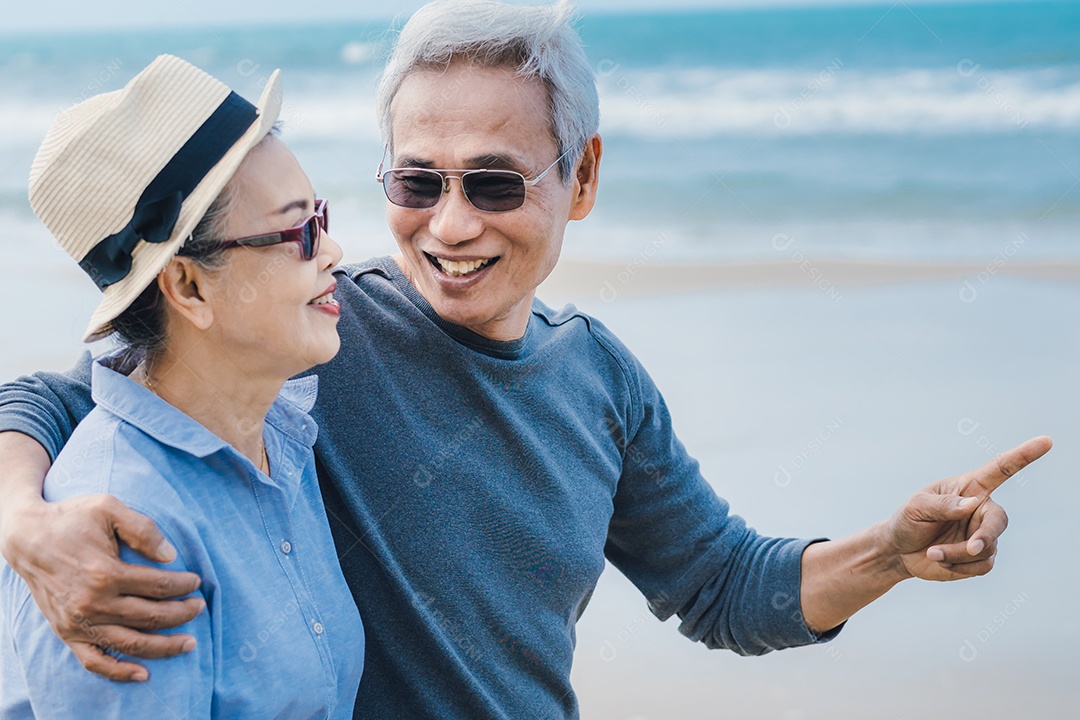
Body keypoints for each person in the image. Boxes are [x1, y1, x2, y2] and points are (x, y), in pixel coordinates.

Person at [0, 2, 1051, 719]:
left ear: (581, 177)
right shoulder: (306, 338)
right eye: (416, 182)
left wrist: (895, 553)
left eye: (495, 184)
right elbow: (85, 397)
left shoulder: (597, 379)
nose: (450, 226)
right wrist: (25, 522)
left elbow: (724, 587)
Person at [0, 55, 362, 718]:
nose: (333, 252)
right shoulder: (120, 541)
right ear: (190, 287)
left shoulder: (278, 425)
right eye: (301, 231)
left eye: (324, 217)